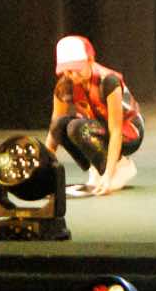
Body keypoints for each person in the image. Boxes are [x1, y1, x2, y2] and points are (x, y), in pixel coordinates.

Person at [45, 34, 143, 194]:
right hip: (97, 126)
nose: (72, 75)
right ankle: (97, 168)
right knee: (60, 125)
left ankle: (120, 167)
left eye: (77, 69)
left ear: (90, 60)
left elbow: (116, 130)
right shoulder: (64, 86)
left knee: (77, 127)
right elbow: (54, 130)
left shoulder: (108, 81)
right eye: (67, 71)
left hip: (128, 132)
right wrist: (43, 167)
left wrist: (109, 174)